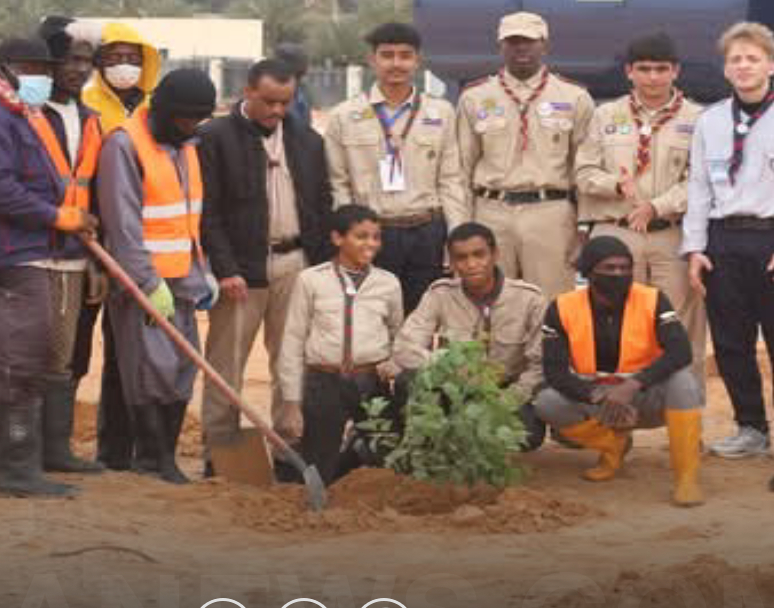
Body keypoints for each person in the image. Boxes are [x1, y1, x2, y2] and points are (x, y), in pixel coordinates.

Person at [0, 37, 101, 496]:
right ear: (7, 68)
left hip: (17, 248)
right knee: (20, 362)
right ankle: (18, 470)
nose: (42, 76)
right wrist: (59, 216)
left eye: (44, 67)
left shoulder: (15, 114)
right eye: (33, 67)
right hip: (4, 254)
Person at [683, 22, 774, 461]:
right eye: (735, 60)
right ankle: (749, 427)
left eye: (752, 58)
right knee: (730, 342)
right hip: (724, 241)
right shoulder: (709, 120)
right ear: (725, 70)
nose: (743, 66)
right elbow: (698, 187)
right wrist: (695, 249)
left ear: (771, 64)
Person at [198, 57, 332, 478]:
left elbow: (322, 204)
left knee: (291, 362)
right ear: (248, 93)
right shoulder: (213, 138)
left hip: (297, 265)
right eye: (270, 102)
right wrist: (225, 269)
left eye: (285, 102)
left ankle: (288, 452)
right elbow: (208, 214)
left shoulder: (308, 140)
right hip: (241, 272)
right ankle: (218, 454)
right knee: (226, 365)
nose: (277, 111)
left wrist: (319, 266)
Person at [96, 67, 217, 485]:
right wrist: (147, 283)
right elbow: (123, 225)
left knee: (183, 368)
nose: (191, 127)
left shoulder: (184, 145)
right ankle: (152, 457)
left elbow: (186, 216)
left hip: (184, 278)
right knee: (150, 370)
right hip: (143, 284)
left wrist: (204, 273)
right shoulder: (124, 145)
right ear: (163, 108)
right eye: (185, 119)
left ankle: (164, 452)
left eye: (198, 120)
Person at [535, 235, 704, 506]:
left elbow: (681, 351)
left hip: (644, 396)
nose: (619, 274)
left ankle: (687, 479)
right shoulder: (562, 307)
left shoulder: (653, 299)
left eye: (625, 268)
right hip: (598, 401)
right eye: (609, 268)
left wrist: (633, 384)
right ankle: (613, 446)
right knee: (546, 402)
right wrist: (599, 395)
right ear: (589, 272)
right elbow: (555, 372)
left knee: (683, 381)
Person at [574, 31, 707, 359]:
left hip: (671, 235)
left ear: (675, 71)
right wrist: (615, 185)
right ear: (629, 71)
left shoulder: (698, 118)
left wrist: (657, 206)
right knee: (614, 322)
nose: (653, 77)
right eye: (644, 69)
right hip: (616, 231)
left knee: (677, 324)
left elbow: (703, 181)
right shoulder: (605, 115)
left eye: (661, 69)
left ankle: (681, 406)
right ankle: (620, 403)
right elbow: (583, 173)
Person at [324, 22, 466, 311]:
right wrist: (350, 240)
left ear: (417, 60)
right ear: (372, 60)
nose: (396, 63)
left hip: (427, 231)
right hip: (372, 234)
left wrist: (456, 236)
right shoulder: (344, 115)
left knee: (421, 318)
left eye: (405, 55)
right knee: (371, 315)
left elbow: (452, 180)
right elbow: (339, 184)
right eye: (387, 55)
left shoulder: (441, 113)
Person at [455, 11, 594, 300]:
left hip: (550, 214)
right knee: (489, 301)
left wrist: (584, 229)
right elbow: (461, 170)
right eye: (513, 41)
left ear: (544, 44)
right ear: (500, 46)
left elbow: (585, 170)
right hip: (491, 211)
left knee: (551, 304)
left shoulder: (573, 97)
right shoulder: (475, 97)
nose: (521, 48)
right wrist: (461, 228)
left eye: (528, 41)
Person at [79, 20, 164, 470]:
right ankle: (64, 445)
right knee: (72, 351)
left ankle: (122, 451)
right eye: (113, 58)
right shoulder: (86, 103)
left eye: (133, 58)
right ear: (98, 64)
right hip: (88, 244)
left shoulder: (156, 108)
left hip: (137, 248)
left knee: (127, 355)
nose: (124, 66)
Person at [277, 204, 404, 484]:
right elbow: (293, 340)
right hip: (324, 381)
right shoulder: (311, 280)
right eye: (361, 236)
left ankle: (355, 454)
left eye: (376, 237)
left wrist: (394, 362)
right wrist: (291, 402)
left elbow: (398, 334)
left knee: (388, 455)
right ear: (337, 239)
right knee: (317, 468)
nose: (370, 244)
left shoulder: (388, 283)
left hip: (371, 381)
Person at [393, 222, 548, 450]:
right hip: (453, 388)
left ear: (495, 254)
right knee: (407, 380)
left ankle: (462, 437)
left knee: (528, 436)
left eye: (479, 255)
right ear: (452, 262)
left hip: (504, 392)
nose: (471, 264)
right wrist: (448, 368)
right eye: (461, 258)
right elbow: (405, 347)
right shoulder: (440, 294)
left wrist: (508, 399)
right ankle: (435, 444)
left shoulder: (529, 299)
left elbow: (540, 365)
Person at [33, 17, 108, 475]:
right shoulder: (28, 115)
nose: (79, 69)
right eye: (69, 60)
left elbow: (93, 190)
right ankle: (29, 448)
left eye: (85, 61)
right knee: (35, 351)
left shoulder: (90, 121)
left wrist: (95, 258)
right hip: (34, 248)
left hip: (79, 253)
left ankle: (56, 447)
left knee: (73, 351)